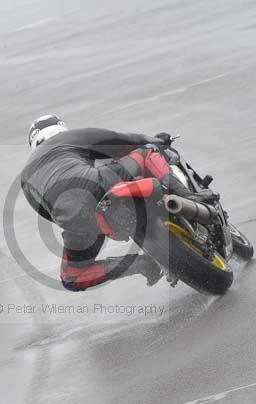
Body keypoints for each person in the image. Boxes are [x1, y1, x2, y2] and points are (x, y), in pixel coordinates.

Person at [20, 115, 217, 292]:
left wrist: (85, 225)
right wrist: (157, 141)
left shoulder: (25, 179)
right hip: (98, 186)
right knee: (147, 151)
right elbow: (120, 140)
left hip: (76, 221)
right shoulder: (64, 139)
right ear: (61, 129)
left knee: (72, 277)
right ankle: (189, 197)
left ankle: (140, 265)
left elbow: (47, 213)